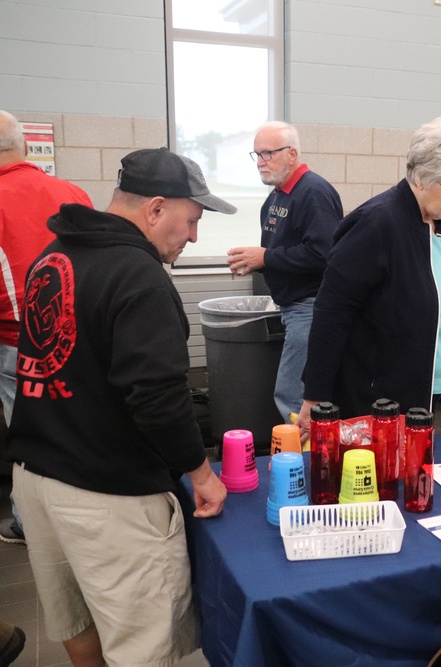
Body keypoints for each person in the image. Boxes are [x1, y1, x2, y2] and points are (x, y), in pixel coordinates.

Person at [6, 147, 233, 667]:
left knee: (76, 619)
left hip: (35, 480)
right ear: (155, 209)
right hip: (105, 492)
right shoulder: (139, 274)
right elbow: (156, 396)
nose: (194, 236)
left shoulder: (54, 254)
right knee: (142, 644)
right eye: (192, 220)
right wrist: (200, 473)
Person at [297, 116, 441, 429]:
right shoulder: (375, 225)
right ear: (421, 177)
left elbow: (429, 298)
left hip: (427, 392)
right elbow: (332, 314)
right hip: (377, 398)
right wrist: (314, 396)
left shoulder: (440, 225)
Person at [0, 110, 92, 545]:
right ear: (25, 146)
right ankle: (83, 514)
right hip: (81, 338)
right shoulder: (70, 191)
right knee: (79, 421)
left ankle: (30, 524)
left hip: (16, 341)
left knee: (30, 433)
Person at [227, 121, 343, 422]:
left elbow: (323, 254)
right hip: (293, 307)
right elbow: (283, 248)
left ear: (292, 155)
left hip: (310, 308)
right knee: (295, 396)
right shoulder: (278, 195)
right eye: (257, 155)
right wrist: (257, 260)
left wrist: (265, 258)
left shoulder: (313, 192)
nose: (261, 162)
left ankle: (300, 465)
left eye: (268, 154)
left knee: (293, 398)